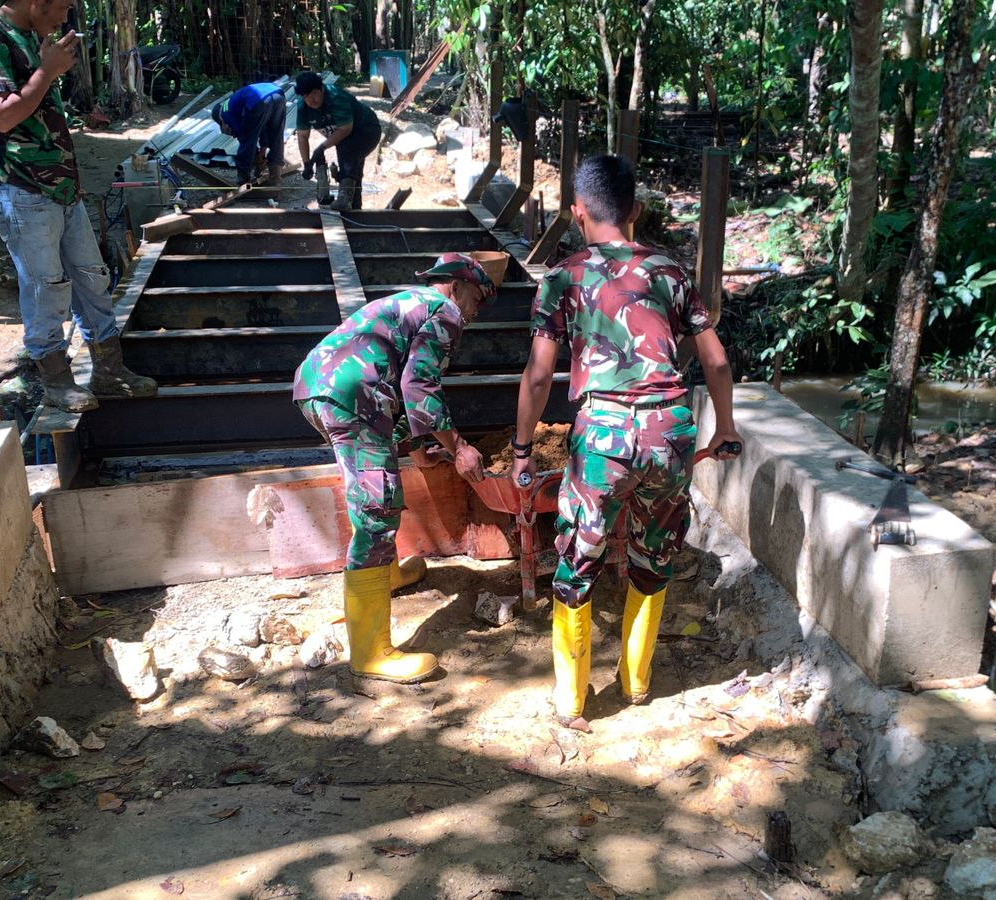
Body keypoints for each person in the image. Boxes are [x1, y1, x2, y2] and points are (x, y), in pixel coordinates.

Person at [512, 155, 741, 731]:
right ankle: (636, 682)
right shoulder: (670, 270)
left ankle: (572, 701)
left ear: (576, 212)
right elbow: (714, 359)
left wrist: (521, 449)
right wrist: (726, 429)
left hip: (605, 436)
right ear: (636, 211)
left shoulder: (564, 276)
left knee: (577, 557)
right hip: (670, 430)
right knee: (655, 551)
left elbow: (539, 377)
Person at [293, 253, 499, 683]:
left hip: (323, 387)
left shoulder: (409, 303)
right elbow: (419, 385)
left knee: (376, 487)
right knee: (376, 508)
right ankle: (371, 652)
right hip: (352, 396)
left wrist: (417, 448)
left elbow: (397, 381)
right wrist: (459, 446)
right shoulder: (445, 311)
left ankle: (386, 574)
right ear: (457, 286)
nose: (477, 312)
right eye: (479, 299)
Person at [0, 0, 155, 412]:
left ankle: (109, 370)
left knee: (92, 277)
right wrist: (47, 70)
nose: (65, 18)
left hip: (61, 186)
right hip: (22, 187)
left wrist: (72, 107)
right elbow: (0, 117)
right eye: (62, 8)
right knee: (46, 286)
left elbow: (35, 107)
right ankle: (56, 379)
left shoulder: (33, 37)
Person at [292, 71, 382, 211]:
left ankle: (344, 199)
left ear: (321, 89)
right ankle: (354, 209)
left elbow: (345, 129)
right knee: (354, 171)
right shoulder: (303, 107)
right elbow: (303, 136)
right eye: (306, 96)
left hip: (367, 129)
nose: (311, 100)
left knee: (346, 150)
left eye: (314, 94)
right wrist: (306, 163)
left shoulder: (335, 97)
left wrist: (321, 148)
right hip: (346, 134)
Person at [212, 82, 289, 186]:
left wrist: (254, 157)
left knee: (247, 141)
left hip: (258, 100)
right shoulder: (231, 104)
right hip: (278, 94)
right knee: (276, 137)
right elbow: (263, 127)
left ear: (219, 119)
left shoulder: (225, 114)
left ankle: (243, 180)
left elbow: (246, 139)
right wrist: (262, 150)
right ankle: (275, 179)